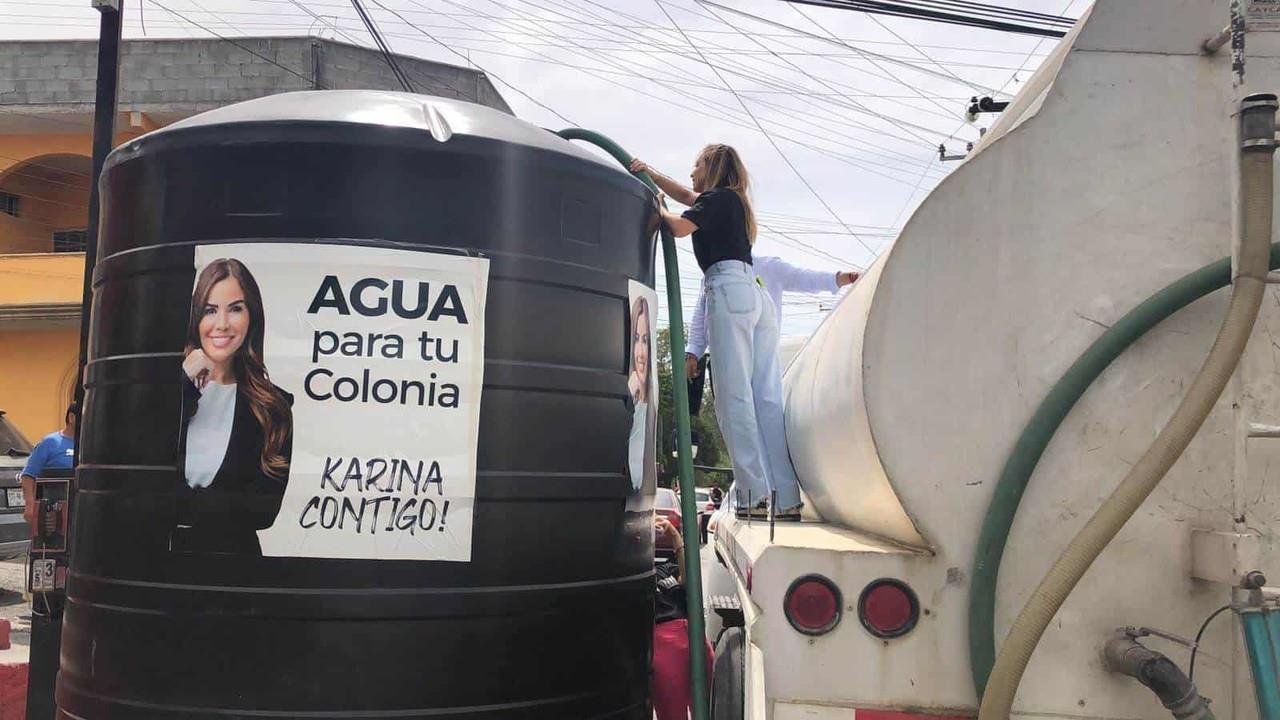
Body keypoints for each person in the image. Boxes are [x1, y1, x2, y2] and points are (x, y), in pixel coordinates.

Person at [631, 146, 801, 518]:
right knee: (765, 400)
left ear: (712, 168)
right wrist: (654, 175)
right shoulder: (732, 203)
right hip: (753, 295)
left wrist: (655, 204)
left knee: (732, 398)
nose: (691, 171)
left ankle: (753, 493)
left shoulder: (718, 199)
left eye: (696, 165)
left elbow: (676, 226)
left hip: (728, 291)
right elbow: (688, 196)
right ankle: (786, 496)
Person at [176, 258, 293, 556]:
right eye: (210, 310)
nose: (222, 324)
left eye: (236, 308)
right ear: (196, 319)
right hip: (155, 573)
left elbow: (263, 511)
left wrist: (182, 508)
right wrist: (182, 385)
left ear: (252, 318)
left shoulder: (272, 407)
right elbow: (137, 482)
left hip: (234, 572)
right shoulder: (165, 390)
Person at [684, 256, 859, 379]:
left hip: (761, 360)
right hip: (724, 363)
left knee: (764, 410)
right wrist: (693, 353)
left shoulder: (767, 267)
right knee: (731, 420)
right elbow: (701, 315)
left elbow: (804, 278)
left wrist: (841, 278)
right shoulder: (713, 274)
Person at [652, 516, 713, 720]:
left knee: (708, 707)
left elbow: (688, 580)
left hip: (694, 639)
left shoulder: (667, 568)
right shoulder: (635, 574)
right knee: (673, 714)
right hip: (664, 646)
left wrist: (674, 536)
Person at [19, 401, 77, 530]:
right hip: (54, 511)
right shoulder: (51, 442)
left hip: (79, 511)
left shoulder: (88, 445)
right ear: (71, 417)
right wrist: (30, 506)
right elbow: (28, 475)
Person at [628, 296, 656, 493]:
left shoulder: (653, 406)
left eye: (645, 340)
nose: (640, 353)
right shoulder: (625, 399)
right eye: (636, 339)